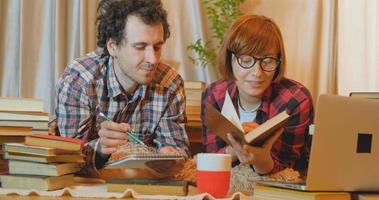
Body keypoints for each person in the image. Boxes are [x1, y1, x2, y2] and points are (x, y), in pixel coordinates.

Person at [54, 0, 189, 177]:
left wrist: (170, 155)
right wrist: (100, 149)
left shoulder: (171, 84)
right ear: (112, 47)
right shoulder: (79, 81)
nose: (153, 59)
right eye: (140, 47)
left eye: (157, 47)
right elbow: (68, 160)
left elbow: (179, 153)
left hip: (143, 186)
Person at [201, 15, 314, 175]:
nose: (257, 73)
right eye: (246, 61)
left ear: (278, 61)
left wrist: (262, 159)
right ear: (230, 59)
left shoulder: (295, 100)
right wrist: (234, 150)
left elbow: (291, 173)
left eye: (267, 61)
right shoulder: (214, 95)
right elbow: (209, 160)